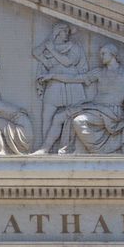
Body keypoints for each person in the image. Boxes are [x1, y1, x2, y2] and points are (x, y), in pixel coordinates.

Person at [33, 23, 92, 152]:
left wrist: (52, 50)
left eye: (68, 31)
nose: (67, 34)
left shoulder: (74, 47)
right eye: (65, 31)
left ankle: (71, 148)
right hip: (54, 83)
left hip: (71, 84)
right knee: (47, 114)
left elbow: (68, 62)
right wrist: (46, 55)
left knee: (72, 116)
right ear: (58, 32)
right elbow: (35, 52)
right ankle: (45, 148)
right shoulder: (49, 45)